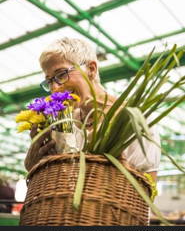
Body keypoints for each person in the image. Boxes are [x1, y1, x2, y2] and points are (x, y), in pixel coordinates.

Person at [24, 37, 161, 182]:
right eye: (49, 81)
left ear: (91, 69)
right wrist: (33, 165)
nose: (55, 88)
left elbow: (147, 190)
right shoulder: (63, 123)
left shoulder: (134, 118)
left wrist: (118, 171)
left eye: (61, 74)